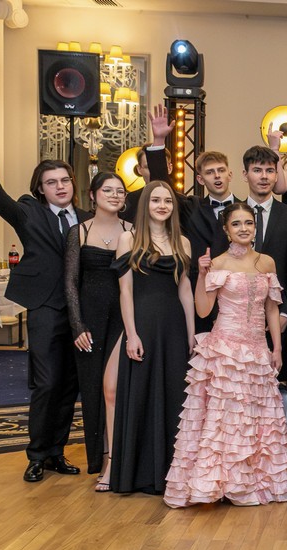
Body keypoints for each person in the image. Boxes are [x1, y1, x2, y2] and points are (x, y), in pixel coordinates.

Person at [164, 203, 287, 507]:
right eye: (236, 224)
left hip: (257, 350)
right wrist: (202, 274)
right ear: (226, 230)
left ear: (255, 227)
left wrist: (276, 348)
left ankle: (248, 485)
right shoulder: (218, 263)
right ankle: (217, 485)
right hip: (225, 349)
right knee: (225, 420)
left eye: (248, 223)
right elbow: (203, 310)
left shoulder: (266, 262)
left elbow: (272, 308)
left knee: (254, 419)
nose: (243, 229)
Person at [0, 158, 88, 482]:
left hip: (81, 312)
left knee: (70, 385)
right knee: (47, 383)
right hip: (45, 307)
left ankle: (56, 453)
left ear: (73, 183)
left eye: (64, 180)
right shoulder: (29, 213)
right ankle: (36, 455)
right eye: (51, 182)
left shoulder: (88, 218)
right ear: (40, 189)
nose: (60, 186)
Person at [110, 181, 194, 495]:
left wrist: (191, 333)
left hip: (174, 327)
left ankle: (171, 474)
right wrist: (131, 334)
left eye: (167, 201)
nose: (162, 206)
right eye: (156, 200)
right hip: (143, 324)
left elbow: (185, 290)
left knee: (174, 395)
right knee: (141, 394)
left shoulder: (183, 242)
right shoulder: (128, 239)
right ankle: (139, 475)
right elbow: (125, 291)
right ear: (145, 204)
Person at [147, 107, 242, 333]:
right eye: (210, 172)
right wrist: (159, 141)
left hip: (237, 300)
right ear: (200, 179)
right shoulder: (191, 207)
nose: (217, 176)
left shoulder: (245, 210)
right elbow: (162, 185)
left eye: (221, 170)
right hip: (198, 296)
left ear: (230, 174)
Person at [64, 172, 131, 489]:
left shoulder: (132, 231)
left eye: (120, 191)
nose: (115, 195)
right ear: (93, 195)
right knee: (93, 391)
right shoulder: (80, 231)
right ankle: (101, 458)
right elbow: (70, 283)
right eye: (108, 190)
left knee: (116, 390)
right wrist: (77, 325)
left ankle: (117, 459)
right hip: (88, 322)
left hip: (124, 318)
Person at [240, 146, 287, 392]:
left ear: (277, 175)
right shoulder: (231, 213)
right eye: (257, 170)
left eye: (270, 170)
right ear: (245, 174)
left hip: (279, 315)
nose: (264, 176)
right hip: (239, 316)